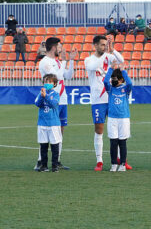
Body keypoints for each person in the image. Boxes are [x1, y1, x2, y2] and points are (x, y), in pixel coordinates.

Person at [84, 34, 126, 171]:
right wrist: (105, 56)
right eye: (102, 44)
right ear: (95, 45)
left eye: (105, 44)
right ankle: (99, 160)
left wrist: (112, 49)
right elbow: (93, 66)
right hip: (98, 99)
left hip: (112, 98)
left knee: (117, 130)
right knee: (99, 129)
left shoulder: (109, 55)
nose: (104, 47)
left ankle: (121, 160)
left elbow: (122, 60)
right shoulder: (88, 59)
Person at [37, 37, 76, 170]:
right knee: (48, 129)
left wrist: (71, 60)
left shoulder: (58, 62)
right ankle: (40, 161)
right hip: (50, 99)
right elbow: (56, 77)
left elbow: (68, 76)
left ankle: (57, 159)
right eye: (59, 46)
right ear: (54, 47)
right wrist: (64, 61)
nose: (61, 48)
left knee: (60, 129)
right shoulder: (45, 62)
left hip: (62, 98)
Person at [102, 64, 132, 172]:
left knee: (122, 142)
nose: (114, 80)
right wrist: (110, 69)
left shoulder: (125, 88)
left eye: (116, 79)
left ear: (121, 79)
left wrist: (123, 71)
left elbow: (130, 83)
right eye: (113, 78)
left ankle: (123, 164)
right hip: (112, 119)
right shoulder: (110, 88)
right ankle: (113, 164)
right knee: (113, 142)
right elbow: (105, 82)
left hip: (124, 118)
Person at [35, 74, 62, 172]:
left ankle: (54, 166)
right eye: (46, 81)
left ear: (55, 84)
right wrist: (42, 96)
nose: (48, 83)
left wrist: (45, 96)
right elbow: (37, 104)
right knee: (43, 145)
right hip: (42, 123)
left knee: (54, 145)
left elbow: (53, 104)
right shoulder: (40, 93)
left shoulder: (56, 94)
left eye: (50, 82)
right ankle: (44, 165)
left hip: (53, 123)